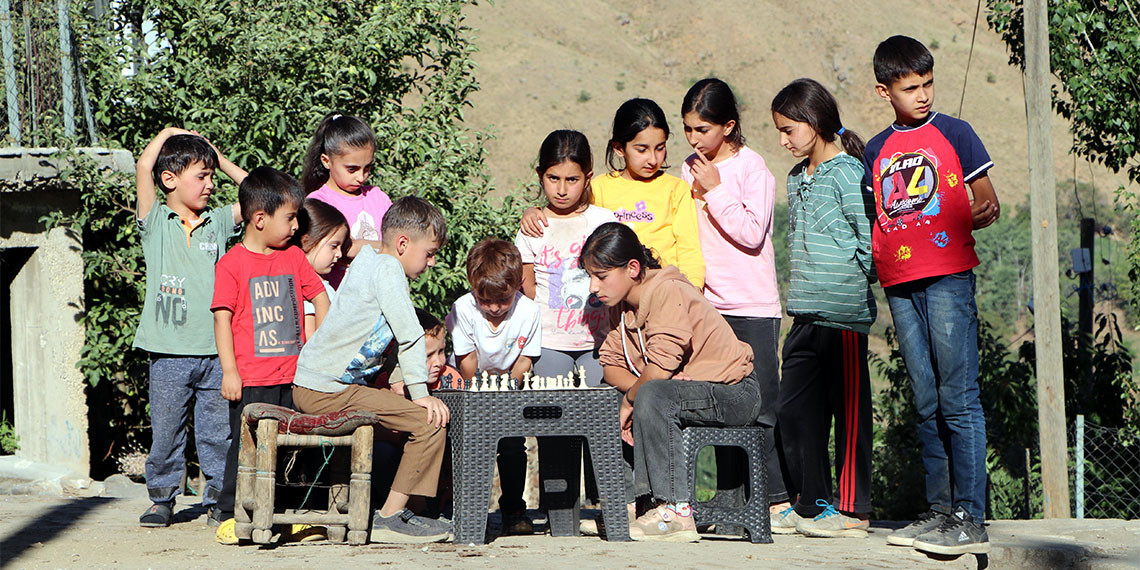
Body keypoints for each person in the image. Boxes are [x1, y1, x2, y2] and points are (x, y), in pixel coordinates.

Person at [863, 35, 1000, 555]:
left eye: (927, 84)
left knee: (958, 398)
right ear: (885, 91)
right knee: (925, 401)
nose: (922, 95)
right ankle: (939, 511)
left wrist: (977, 213)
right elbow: (877, 218)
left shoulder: (956, 133)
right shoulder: (876, 150)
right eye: (910, 87)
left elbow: (986, 201)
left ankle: (970, 516)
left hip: (947, 278)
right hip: (900, 283)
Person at [584, 222, 759, 542]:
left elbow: (661, 367)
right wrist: (633, 394)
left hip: (733, 392)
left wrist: (636, 396)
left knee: (652, 395)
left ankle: (675, 511)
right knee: (607, 398)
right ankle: (628, 505)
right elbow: (610, 365)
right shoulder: (620, 305)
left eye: (601, 276)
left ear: (632, 268)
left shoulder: (667, 290)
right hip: (682, 392)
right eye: (590, 276)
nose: (593, 287)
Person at [292, 196, 453, 544]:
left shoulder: (368, 261)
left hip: (315, 386)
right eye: (429, 253)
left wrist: (401, 384)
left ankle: (411, 512)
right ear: (403, 244)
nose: (432, 262)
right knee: (429, 423)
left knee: (411, 422)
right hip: (329, 390)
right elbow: (410, 335)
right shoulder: (389, 270)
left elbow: (385, 341)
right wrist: (421, 395)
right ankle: (391, 517)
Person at [769, 78, 876, 538]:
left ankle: (853, 510)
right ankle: (812, 503)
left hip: (843, 317)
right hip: (804, 314)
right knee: (794, 412)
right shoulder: (796, 178)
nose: (783, 140)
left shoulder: (850, 173)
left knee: (848, 416)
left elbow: (869, 241)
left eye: (788, 130)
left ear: (814, 122)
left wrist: (849, 281)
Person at [679, 78, 788, 516]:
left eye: (702, 129)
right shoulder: (688, 168)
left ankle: (775, 499)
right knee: (722, 406)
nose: (693, 139)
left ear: (727, 126)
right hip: (709, 308)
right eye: (688, 129)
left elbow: (751, 232)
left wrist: (716, 188)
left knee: (762, 406)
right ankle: (730, 500)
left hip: (752, 306)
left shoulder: (751, 167)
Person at [134, 128, 247, 528]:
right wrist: (169, 133)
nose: (210, 184)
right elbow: (144, 165)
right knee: (167, 432)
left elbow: (261, 196)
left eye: (212, 176)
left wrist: (217, 156)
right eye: (202, 176)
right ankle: (161, 499)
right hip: (168, 354)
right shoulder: (155, 222)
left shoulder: (218, 222)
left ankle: (219, 500)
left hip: (217, 353)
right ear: (170, 179)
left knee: (218, 434)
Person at [211, 167, 331, 542]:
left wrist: (318, 349)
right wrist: (230, 372)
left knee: (295, 448)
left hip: (293, 377)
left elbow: (320, 297)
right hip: (251, 380)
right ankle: (231, 514)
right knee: (245, 447)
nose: (296, 226)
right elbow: (222, 319)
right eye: (290, 217)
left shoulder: (293, 258)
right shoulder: (231, 264)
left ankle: (289, 515)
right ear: (260, 219)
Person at [520, 99, 705, 289]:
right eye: (642, 150)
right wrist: (535, 211)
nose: (653, 159)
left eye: (660, 148)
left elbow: (689, 249)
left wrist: (692, 289)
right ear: (619, 148)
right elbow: (568, 213)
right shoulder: (599, 188)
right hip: (611, 297)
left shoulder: (676, 190)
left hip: (663, 289)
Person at [446, 239, 542, 535]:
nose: (495, 308)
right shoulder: (463, 308)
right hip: (470, 384)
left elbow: (525, 360)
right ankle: (463, 510)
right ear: (472, 285)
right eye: (485, 300)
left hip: (509, 384)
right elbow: (467, 359)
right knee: (469, 445)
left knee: (513, 445)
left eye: (503, 300)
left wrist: (508, 390)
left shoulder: (529, 311)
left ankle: (513, 509)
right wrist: (480, 392)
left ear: (518, 284)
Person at [514, 130, 615, 385]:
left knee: (600, 404)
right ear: (540, 175)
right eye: (553, 178)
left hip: (599, 342)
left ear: (587, 178)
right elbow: (528, 288)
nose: (561, 189)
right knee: (555, 405)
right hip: (548, 342)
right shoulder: (532, 227)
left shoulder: (604, 221)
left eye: (572, 179)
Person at [301, 112, 392, 287]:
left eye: (367, 168)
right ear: (326, 161)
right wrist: (385, 248)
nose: (361, 177)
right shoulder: (319, 202)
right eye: (352, 169)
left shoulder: (378, 197)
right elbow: (344, 249)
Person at [292, 199, 350, 338]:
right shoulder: (305, 289)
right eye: (334, 246)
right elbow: (310, 336)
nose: (339, 254)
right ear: (306, 241)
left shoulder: (321, 283)